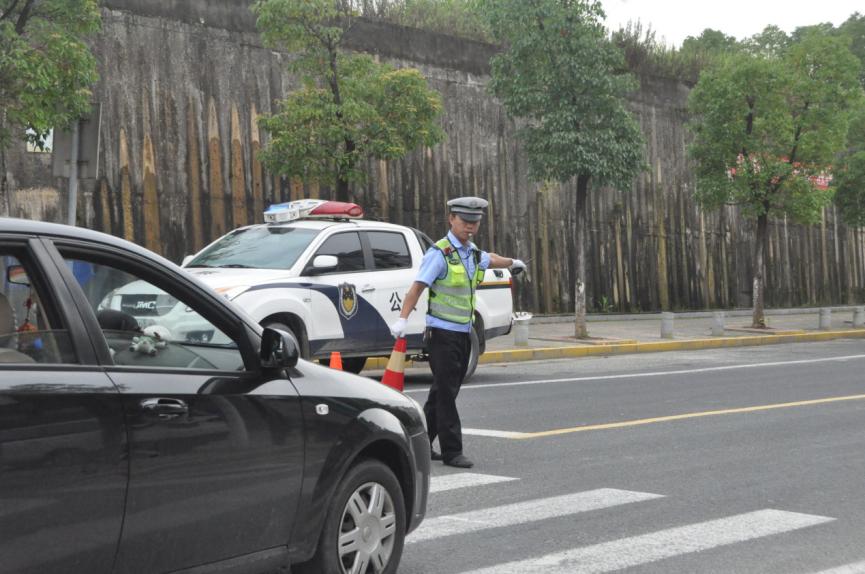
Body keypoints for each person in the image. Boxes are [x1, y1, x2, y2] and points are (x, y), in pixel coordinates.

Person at [389, 196, 526, 468]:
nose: (470, 228)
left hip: (464, 333)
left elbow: (491, 259)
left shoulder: (472, 252)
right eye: (465, 222)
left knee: (442, 391)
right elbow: (417, 288)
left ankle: (419, 444)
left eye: (475, 223)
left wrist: (513, 262)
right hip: (442, 334)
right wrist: (402, 320)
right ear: (451, 219)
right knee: (447, 393)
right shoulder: (439, 254)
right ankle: (452, 451)